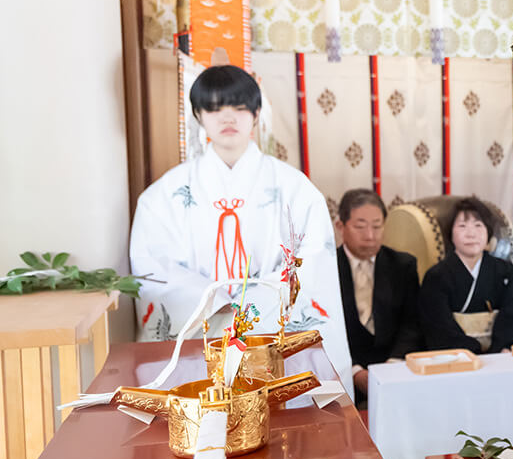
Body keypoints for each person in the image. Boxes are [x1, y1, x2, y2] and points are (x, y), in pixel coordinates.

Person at [130, 65, 352, 388]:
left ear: (257, 112)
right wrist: (213, 298)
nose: (228, 118)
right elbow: (153, 267)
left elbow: (314, 258)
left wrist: (251, 302)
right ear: (198, 115)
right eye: (215, 107)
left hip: (272, 338)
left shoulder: (294, 188)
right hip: (201, 338)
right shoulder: (163, 196)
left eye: (238, 107)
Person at [335, 188, 422, 399]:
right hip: (343, 374)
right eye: (360, 226)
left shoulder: (403, 265)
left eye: (377, 226)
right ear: (340, 226)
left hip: (396, 370)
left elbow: (413, 322)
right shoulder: (325, 268)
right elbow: (323, 328)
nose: (370, 236)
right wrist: (354, 371)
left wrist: (392, 366)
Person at [418, 197, 513, 353]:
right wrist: (473, 351)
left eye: (478, 225)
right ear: (451, 234)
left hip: (500, 356)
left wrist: (501, 348)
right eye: (462, 226)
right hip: (455, 358)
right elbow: (439, 328)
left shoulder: (506, 272)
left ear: (488, 233)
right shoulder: (436, 277)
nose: (471, 234)